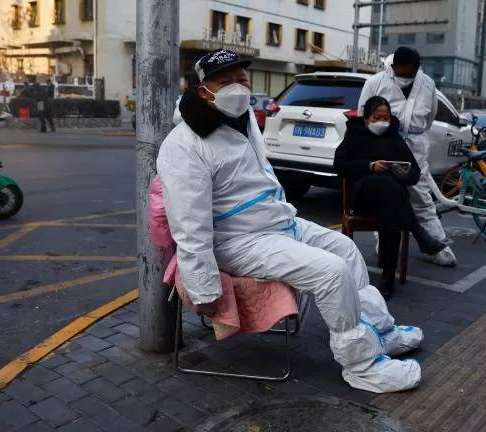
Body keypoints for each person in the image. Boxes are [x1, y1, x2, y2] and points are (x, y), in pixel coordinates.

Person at [157, 49, 423, 393]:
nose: (237, 88)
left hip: (277, 223)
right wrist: (204, 288)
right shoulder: (184, 145)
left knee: (345, 249)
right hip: (237, 241)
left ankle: (381, 332)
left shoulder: (242, 119)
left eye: (241, 80)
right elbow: (189, 226)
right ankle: (362, 365)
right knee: (331, 271)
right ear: (203, 89)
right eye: (225, 82)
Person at [334, 96, 450, 299]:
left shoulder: (394, 137)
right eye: (376, 117)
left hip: (390, 202)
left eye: (385, 117)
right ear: (366, 118)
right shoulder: (354, 135)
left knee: (391, 209)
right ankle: (419, 234)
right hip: (363, 196)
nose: (381, 121)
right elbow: (340, 166)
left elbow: (414, 174)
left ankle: (388, 277)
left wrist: (401, 171)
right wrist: (369, 166)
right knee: (385, 186)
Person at [358, 47, 457, 267]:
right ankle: (383, 242)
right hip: (384, 144)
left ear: (416, 68)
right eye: (400, 73)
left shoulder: (427, 84)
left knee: (421, 197)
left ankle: (437, 245)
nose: (404, 77)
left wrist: (413, 134)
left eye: (409, 74)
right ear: (393, 67)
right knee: (384, 195)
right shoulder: (375, 82)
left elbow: (429, 117)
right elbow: (362, 115)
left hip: (415, 145)